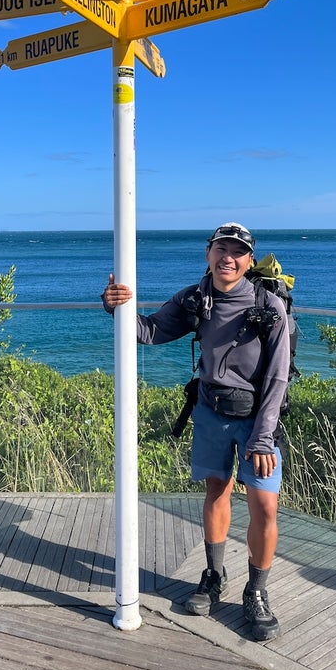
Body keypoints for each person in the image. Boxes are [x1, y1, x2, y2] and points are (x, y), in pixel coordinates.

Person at [101, 222, 291, 641]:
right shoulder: (194, 299)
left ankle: (256, 592)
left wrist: (262, 436)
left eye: (238, 251)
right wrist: (115, 307)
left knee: (265, 506)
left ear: (249, 260)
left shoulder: (268, 306)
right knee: (216, 492)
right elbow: (148, 331)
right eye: (221, 248)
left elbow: (278, 379)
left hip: (258, 419)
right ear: (208, 253)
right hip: (209, 411)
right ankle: (213, 575)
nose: (229, 257)